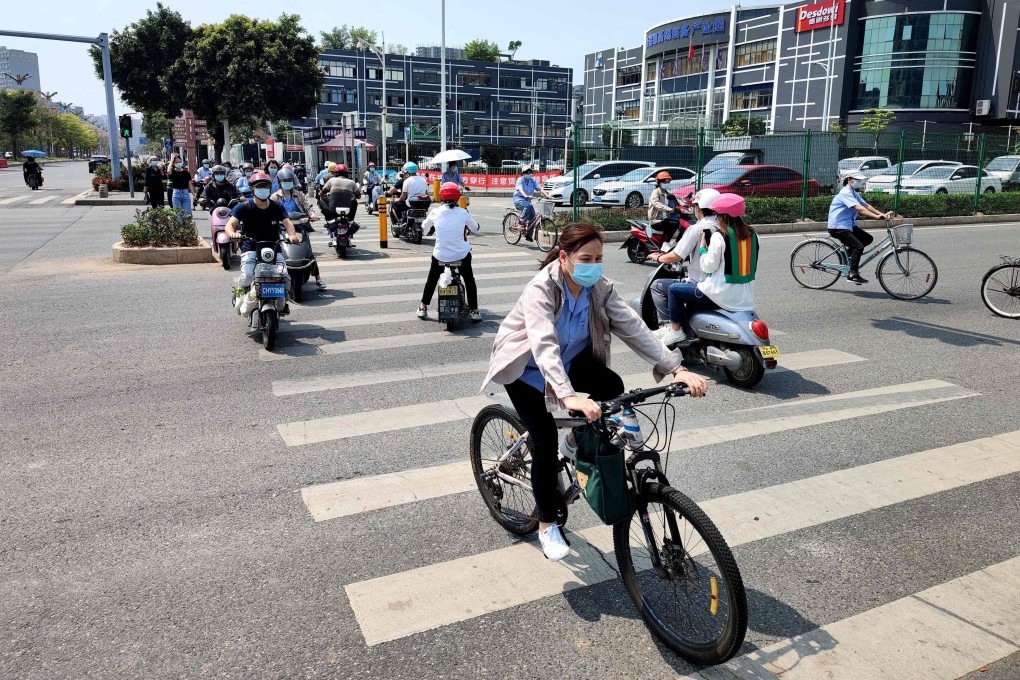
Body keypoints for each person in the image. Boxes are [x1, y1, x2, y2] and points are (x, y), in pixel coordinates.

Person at [481, 224, 708, 560]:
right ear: (564, 257)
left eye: (598, 258)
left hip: (571, 363)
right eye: (585, 258)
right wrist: (567, 395)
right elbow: (543, 344)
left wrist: (677, 367)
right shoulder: (542, 288)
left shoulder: (598, 288)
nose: (593, 264)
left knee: (612, 389)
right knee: (542, 442)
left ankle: (573, 443)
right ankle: (546, 526)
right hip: (527, 371)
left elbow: (633, 327)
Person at [656, 193, 759, 347]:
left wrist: (703, 249)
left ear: (722, 215)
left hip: (719, 294)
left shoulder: (720, 236)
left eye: (717, 213)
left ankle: (675, 331)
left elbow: (708, 266)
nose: (715, 217)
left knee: (673, 289)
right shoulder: (753, 235)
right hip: (745, 297)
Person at [223, 172, 302, 314]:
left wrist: (292, 235)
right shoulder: (244, 206)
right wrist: (233, 234)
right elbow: (229, 225)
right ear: (252, 189)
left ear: (270, 187)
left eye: (266, 186)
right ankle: (240, 292)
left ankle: (284, 301)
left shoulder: (276, 206)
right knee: (247, 276)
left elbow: (288, 223)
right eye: (259, 186)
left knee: (285, 276)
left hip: (274, 247)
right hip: (250, 247)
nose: (263, 189)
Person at [647, 188, 720, 332]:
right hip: (722, 285)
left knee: (658, 286)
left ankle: (672, 328)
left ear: (698, 208)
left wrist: (658, 256)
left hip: (702, 285)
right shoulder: (726, 229)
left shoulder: (697, 229)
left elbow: (676, 256)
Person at [417, 182, 481, 321]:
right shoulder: (463, 212)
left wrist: (429, 229)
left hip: (440, 256)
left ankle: (423, 307)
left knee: (432, 280)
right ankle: (474, 310)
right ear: (458, 196)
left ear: (441, 196)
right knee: (469, 281)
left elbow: (424, 229)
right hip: (461, 256)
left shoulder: (435, 212)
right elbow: (475, 228)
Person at [827, 170, 892, 284]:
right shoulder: (845, 193)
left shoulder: (853, 192)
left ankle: (845, 255)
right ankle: (853, 274)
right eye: (857, 180)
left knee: (867, 239)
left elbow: (866, 205)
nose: (859, 182)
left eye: (860, 180)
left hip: (847, 225)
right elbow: (858, 208)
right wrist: (876, 217)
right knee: (858, 247)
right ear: (849, 180)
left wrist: (881, 214)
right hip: (838, 226)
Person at [513, 165, 553, 241]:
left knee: (533, 218)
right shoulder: (520, 180)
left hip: (527, 200)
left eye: (530, 172)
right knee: (528, 205)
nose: (530, 174)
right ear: (523, 173)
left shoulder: (532, 180)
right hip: (518, 199)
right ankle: (521, 222)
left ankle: (529, 235)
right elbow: (520, 189)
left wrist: (547, 195)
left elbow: (539, 189)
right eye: (528, 173)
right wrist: (526, 196)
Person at [319, 163, 362, 228]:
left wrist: (322, 196)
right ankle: (351, 220)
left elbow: (322, 193)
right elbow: (359, 196)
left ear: (336, 173)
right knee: (354, 201)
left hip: (332, 210)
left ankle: (328, 220)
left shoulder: (331, 180)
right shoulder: (352, 182)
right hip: (348, 210)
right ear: (347, 173)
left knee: (320, 201)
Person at [647, 171, 682, 245]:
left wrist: (686, 204)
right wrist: (669, 209)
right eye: (664, 181)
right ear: (658, 182)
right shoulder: (655, 192)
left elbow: (677, 200)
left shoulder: (667, 193)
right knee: (675, 224)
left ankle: (669, 242)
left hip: (665, 219)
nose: (666, 183)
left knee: (678, 223)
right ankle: (666, 243)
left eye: (668, 181)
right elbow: (656, 203)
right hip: (656, 220)